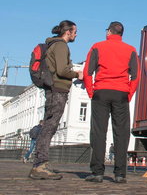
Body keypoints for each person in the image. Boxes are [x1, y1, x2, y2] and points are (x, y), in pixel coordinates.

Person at [83, 21, 140, 184]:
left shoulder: (97, 46)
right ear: (121, 34)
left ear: (109, 32)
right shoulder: (131, 50)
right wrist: (128, 94)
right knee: (121, 133)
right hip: (121, 93)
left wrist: (91, 91)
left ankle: (97, 172)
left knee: (98, 132)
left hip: (101, 91)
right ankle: (120, 174)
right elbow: (135, 76)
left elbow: (88, 72)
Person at [29, 20, 83, 180]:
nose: (76, 34)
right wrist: (77, 74)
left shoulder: (53, 44)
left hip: (53, 89)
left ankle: (40, 164)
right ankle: (40, 165)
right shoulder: (61, 46)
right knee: (49, 127)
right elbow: (62, 70)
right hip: (57, 89)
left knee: (48, 125)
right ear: (68, 32)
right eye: (75, 31)